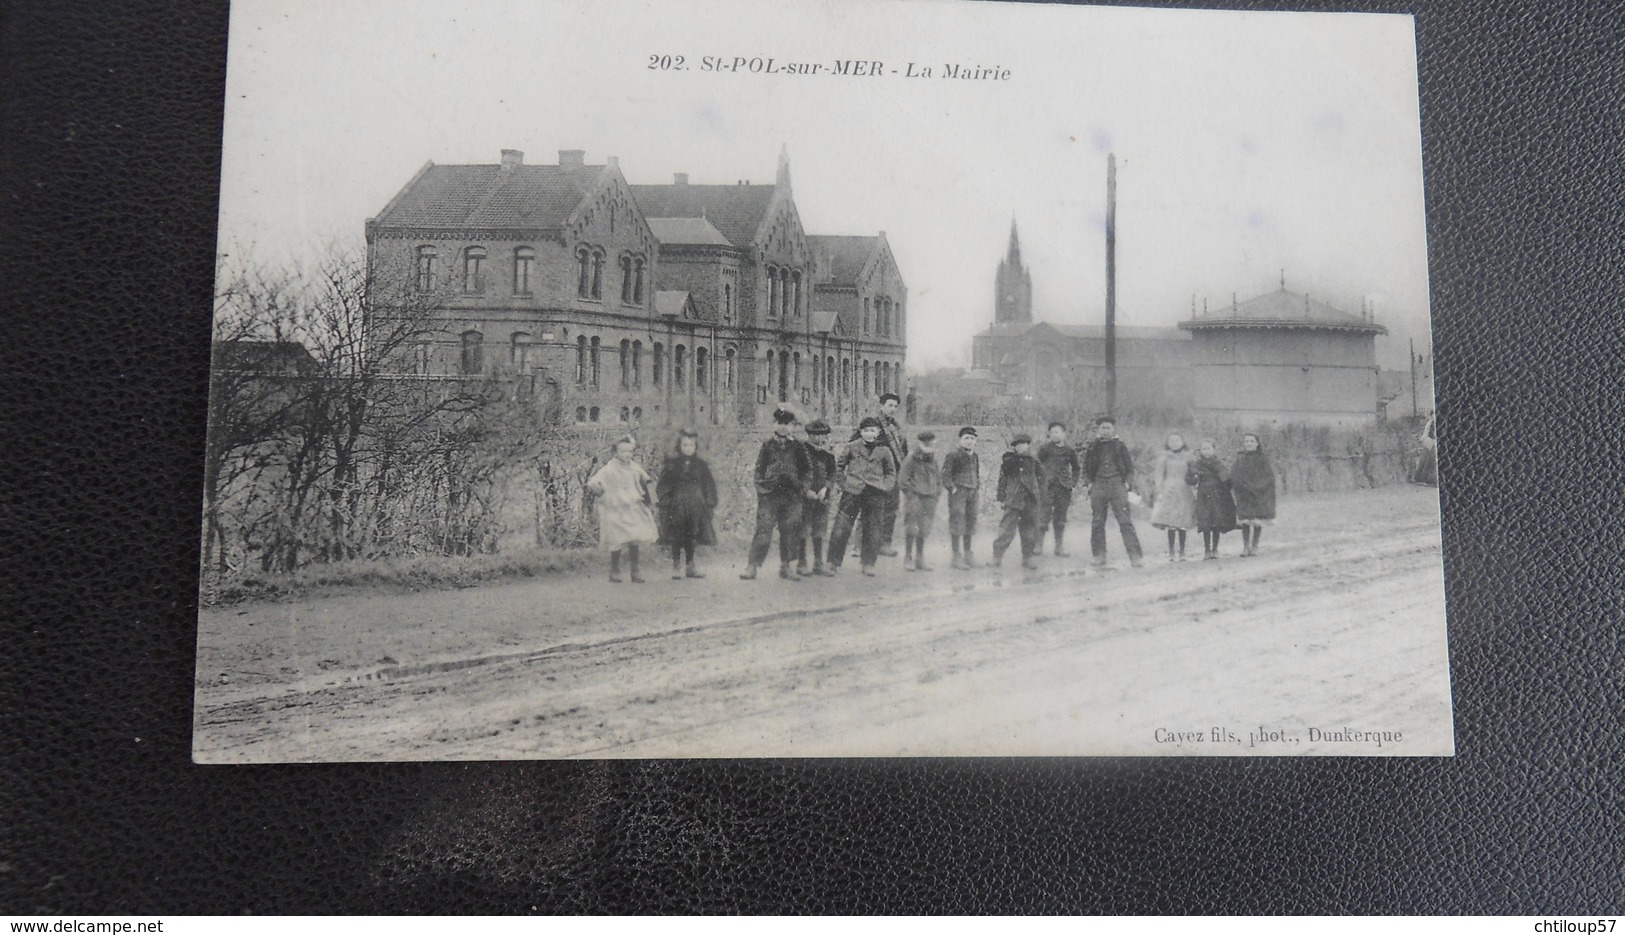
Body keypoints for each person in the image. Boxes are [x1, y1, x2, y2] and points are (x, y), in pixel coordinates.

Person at [741, 407, 813, 581]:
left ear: (793, 426)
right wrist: (762, 489)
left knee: (790, 530)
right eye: (780, 423)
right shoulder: (767, 446)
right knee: (763, 530)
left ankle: (786, 566)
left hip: (791, 495)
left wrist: (802, 489)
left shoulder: (798, 446)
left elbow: (807, 471)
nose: (783, 427)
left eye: (787, 424)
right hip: (770, 495)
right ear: (774, 424)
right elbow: (759, 470)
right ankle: (752, 566)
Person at [827, 416, 898, 577]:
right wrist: (844, 484)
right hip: (852, 492)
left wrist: (885, 486)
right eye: (866, 431)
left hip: (875, 493)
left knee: (873, 529)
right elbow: (839, 467)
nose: (869, 434)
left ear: (878, 432)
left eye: (872, 430)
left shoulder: (884, 450)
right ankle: (832, 562)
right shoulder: (852, 447)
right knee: (841, 527)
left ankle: (868, 563)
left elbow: (891, 472)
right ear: (860, 432)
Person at [586, 436, 659, 583]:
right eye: (623, 451)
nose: (627, 455)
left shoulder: (634, 467)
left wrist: (653, 500)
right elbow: (594, 481)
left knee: (634, 537)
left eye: (630, 451)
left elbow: (647, 480)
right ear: (615, 453)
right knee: (616, 539)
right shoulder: (610, 468)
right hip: (615, 507)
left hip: (632, 505)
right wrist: (598, 489)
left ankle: (635, 570)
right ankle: (614, 570)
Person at [850, 392, 908, 557]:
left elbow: (903, 451)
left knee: (890, 509)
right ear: (881, 406)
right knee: (868, 508)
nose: (893, 409)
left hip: (893, 474)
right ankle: (858, 546)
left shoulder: (896, 427)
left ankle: (884, 544)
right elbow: (853, 444)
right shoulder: (872, 424)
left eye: (896, 406)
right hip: (874, 474)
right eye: (890, 405)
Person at [1081, 416, 1145, 568]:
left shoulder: (1120, 446)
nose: (1105, 430)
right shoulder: (1093, 447)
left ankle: (1135, 556)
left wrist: (1127, 483)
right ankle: (1098, 555)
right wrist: (1089, 483)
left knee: (1125, 521)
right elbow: (1086, 468)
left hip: (1117, 485)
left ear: (1113, 429)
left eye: (1108, 427)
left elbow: (1129, 468)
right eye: (1103, 428)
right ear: (1098, 430)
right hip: (1098, 485)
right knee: (1097, 521)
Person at [655, 429, 718, 579]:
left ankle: (690, 565)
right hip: (677, 506)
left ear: (695, 447)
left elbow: (708, 484)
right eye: (685, 445)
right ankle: (676, 566)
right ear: (679, 446)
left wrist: (709, 502)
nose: (688, 448)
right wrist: (666, 502)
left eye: (691, 445)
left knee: (692, 535)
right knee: (677, 535)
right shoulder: (672, 465)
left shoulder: (701, 465)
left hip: (696, 506)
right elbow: (663, 485)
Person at [991, 433, 1042, 571]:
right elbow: (1002, 481)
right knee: (1006, 529)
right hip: (1013, 500)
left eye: (1023, 444)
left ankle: (1027, 558)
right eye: (1017, 444)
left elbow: (1042, 480)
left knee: (1029, 531)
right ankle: (997, 557)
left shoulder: (1034, 461)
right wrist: (1001, 498)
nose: (1020, 447)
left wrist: (1039, 497)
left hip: (1030, 501)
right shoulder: (1009, 461)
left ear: (1028, 445)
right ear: (1014, 447)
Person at [795, 419, 838, 577]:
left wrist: (825, 489)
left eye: (823, 435)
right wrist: (806, 491)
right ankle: (801, 562)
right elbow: (796, 475)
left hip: (822, 498)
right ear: (809, 435)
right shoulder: (801, 452)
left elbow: (833, 474)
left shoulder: (827, 455)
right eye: (816, 435)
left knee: (820, 530)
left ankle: (819, 563)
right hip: (804, 498)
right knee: (803, 529)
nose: (820, 439)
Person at [1148, 431, 1197, 561]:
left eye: (1177, 440)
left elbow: (1194, 473)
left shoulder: (1189, 456)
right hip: (1168, 489)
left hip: (1184, 489)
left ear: (1182, 442)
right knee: (1170, 521)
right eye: (1172, 441)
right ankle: (1171, 552)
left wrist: (1194, 482)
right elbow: (1159, 475)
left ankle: (1182, 552)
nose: (1175, 443)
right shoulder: (1164, 457)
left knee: (1182, 521)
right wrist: (1160, 490)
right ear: (1168, 443)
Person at [898, 430, 942, 572]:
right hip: (915, 498)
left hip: (930, 498)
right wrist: (912, 496)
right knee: (912, 528)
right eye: (926, 443)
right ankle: (908, 558)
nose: (929, 446)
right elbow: (903, 480)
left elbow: (938, 479)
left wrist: (936, 495)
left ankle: (920, 558)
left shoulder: (933, 460)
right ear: (921, 443)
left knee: (924, 528)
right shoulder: (911, 459)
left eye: (932, 443)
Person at [1186, 437, 1237, 560]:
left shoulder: (1218, 463)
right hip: (1204, 495)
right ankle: (1207, 550)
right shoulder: (1196, 464)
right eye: (1203, 449)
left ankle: (1215, 549)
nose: (1206, 451)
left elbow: (1227, 478)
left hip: (1217, 495)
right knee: (1205, 523)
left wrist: (1225, 481)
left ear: (1214, 450)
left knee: (1216, 523)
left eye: (1208, 448)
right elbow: (1190, 480)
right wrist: (1194, 476)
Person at [1035, 421, 1081, 556]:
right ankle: (1038, 545)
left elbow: (1076, 468)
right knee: (1043, 515)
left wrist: (1072, 482)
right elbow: (1036, 466)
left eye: (1058, 431)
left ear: (1064, 433)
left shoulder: (1069, 451)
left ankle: (1059, 547)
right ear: (1049, 434)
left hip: (1064, 488)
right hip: (1047, 487)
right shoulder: (1044, 449)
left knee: (1060, 518)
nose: (1055, 434)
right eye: (1053, 432)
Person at [1229, 433, 1277, 557]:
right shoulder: (1240, 458)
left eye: (1251, 441)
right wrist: (1239, 486)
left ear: (1257, 443)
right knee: (1245, 521)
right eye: (1246, 441)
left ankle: (1255, 545)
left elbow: (1268, 477)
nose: (1249, 443)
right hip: (1244, 494)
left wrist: (1258, 487)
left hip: (1258, 493)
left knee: (1257, 520)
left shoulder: (1262, 459)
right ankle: (1246, 546)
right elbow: (1234, 474)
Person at [941, 426, 982, 570]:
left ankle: (968, 555)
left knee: (971, 521)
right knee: (958, 521)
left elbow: (976, 473)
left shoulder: (975, 456)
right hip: (958, 493)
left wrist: (976, 486)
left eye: (972, 438)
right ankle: (956, 556)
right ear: (960, 440)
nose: (969, 441)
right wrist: (952, 488)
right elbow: (945, 475)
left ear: (976, 441)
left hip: (972, 492)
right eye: (966, 438)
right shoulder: (953, 455)